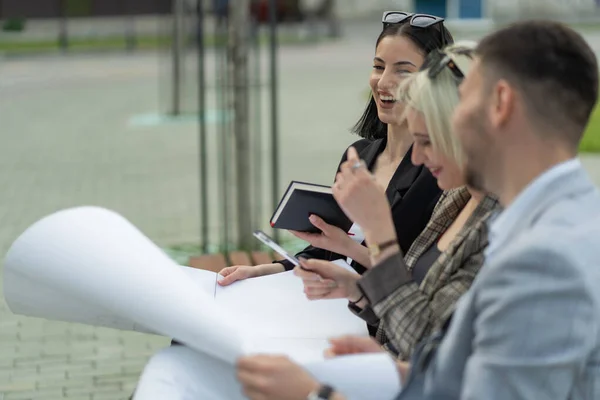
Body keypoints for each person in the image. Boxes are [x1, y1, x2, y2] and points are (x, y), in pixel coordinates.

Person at [232, 20, 600, 400]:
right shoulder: (549, 220)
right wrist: (399, 372)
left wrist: (314, 395)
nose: (449, 122)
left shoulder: (544, 258)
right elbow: (464, 369)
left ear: (501, 104)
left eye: (464, 102)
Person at [294, 42, 499, 361]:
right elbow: (414, 310)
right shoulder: (458, 196)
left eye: (426, 141)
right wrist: (359, 291)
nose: (416, 156)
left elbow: (427, 347)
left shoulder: (502, 224)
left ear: (466, 131)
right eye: (378, 66)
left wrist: (379, 233)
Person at [218, 11, 453, 288]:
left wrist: (349, 249)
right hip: (327, 304)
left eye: (403, 70)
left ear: (435, 82)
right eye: (378, 67)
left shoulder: (441, 172)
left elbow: (422, 277)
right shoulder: (359, 156)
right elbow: (327, 252)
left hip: (379, 320)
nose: (383, 81)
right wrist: (262, 271)